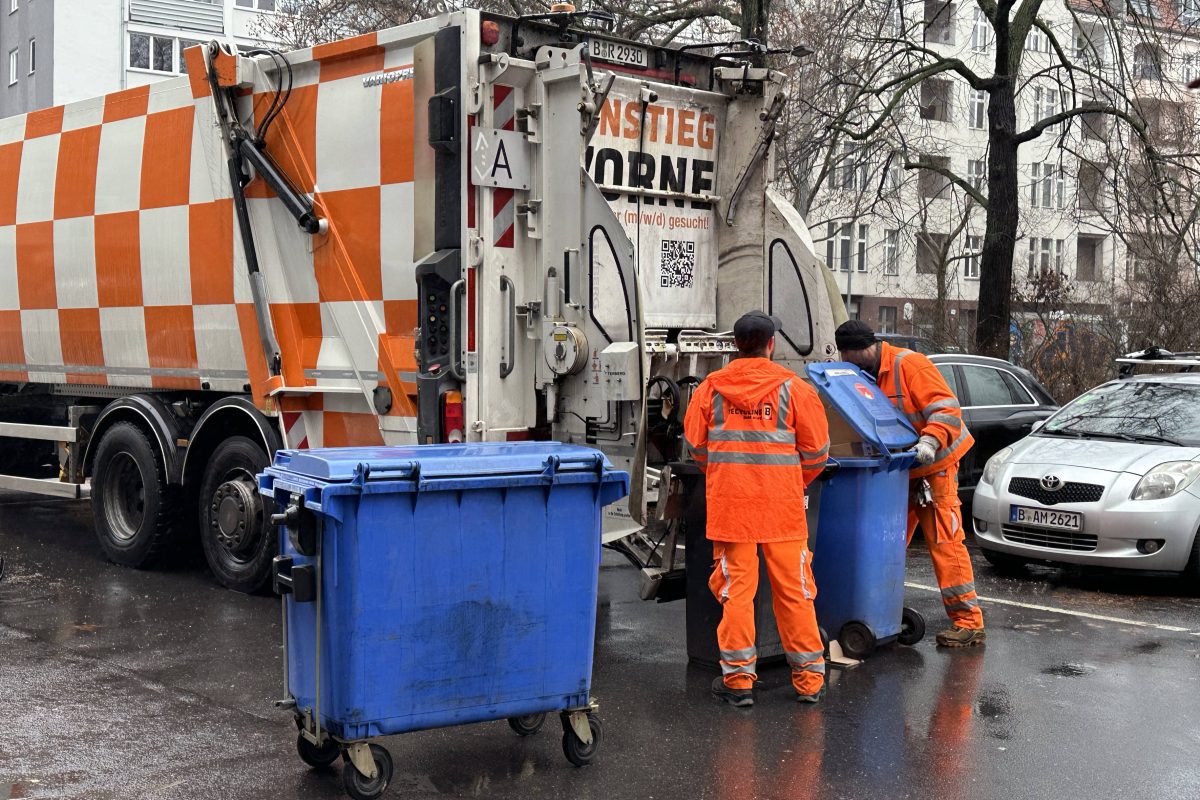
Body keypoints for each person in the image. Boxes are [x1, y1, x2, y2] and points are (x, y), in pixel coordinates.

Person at [684, 311, 832, 706]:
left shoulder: (710, 390)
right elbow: (817, 452)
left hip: (731, 510)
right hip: (782, 511)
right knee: (795, 593)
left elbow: (697, 448)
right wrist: (790, 482)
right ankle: (809, 681)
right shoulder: (795, 390)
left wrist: (726, 476)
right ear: (772, 344)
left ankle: (738, 683)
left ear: (735, 345)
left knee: (737, 595)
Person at [834, 319, 985, 647]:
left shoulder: (909, 365)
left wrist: (930, 441)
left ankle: (968, 622)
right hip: (901, 470)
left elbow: (947, 409)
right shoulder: (857, 373)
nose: (853, 363)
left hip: (935, 466)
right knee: (884, 544)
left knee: (945, 542)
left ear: (869, 347)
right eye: (848, 358)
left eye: (856, 355)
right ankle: (877, 612)